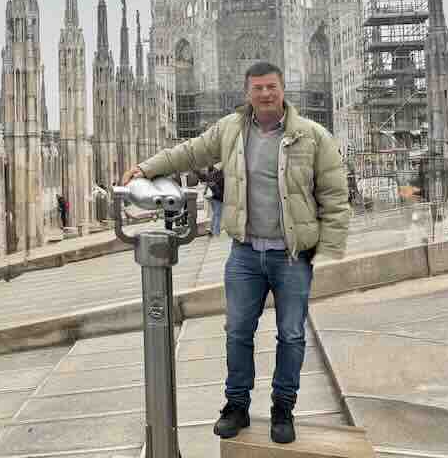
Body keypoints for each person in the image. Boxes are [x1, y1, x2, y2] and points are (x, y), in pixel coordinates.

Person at [122, 61, 349, 445]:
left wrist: (327, 249)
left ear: (282, 90)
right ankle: (236, 405)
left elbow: (334, 193)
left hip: (291, 255)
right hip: (245, 254)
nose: (265, 94)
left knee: (292, 335)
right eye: (258, 88)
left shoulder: (311, 135)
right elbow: (190, 152)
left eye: (271, 87)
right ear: (248, 93)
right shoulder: (230, 129)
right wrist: (146, 168)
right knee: (237, 332)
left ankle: (283, 409)